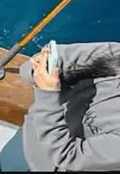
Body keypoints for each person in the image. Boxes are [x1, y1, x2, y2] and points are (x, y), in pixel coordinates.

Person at [19, 41, 120, 170]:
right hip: (33, 130)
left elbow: (68, 156)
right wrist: (39, 71)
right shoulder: (114, 53)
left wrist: (48, 93)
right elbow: (29, 67)